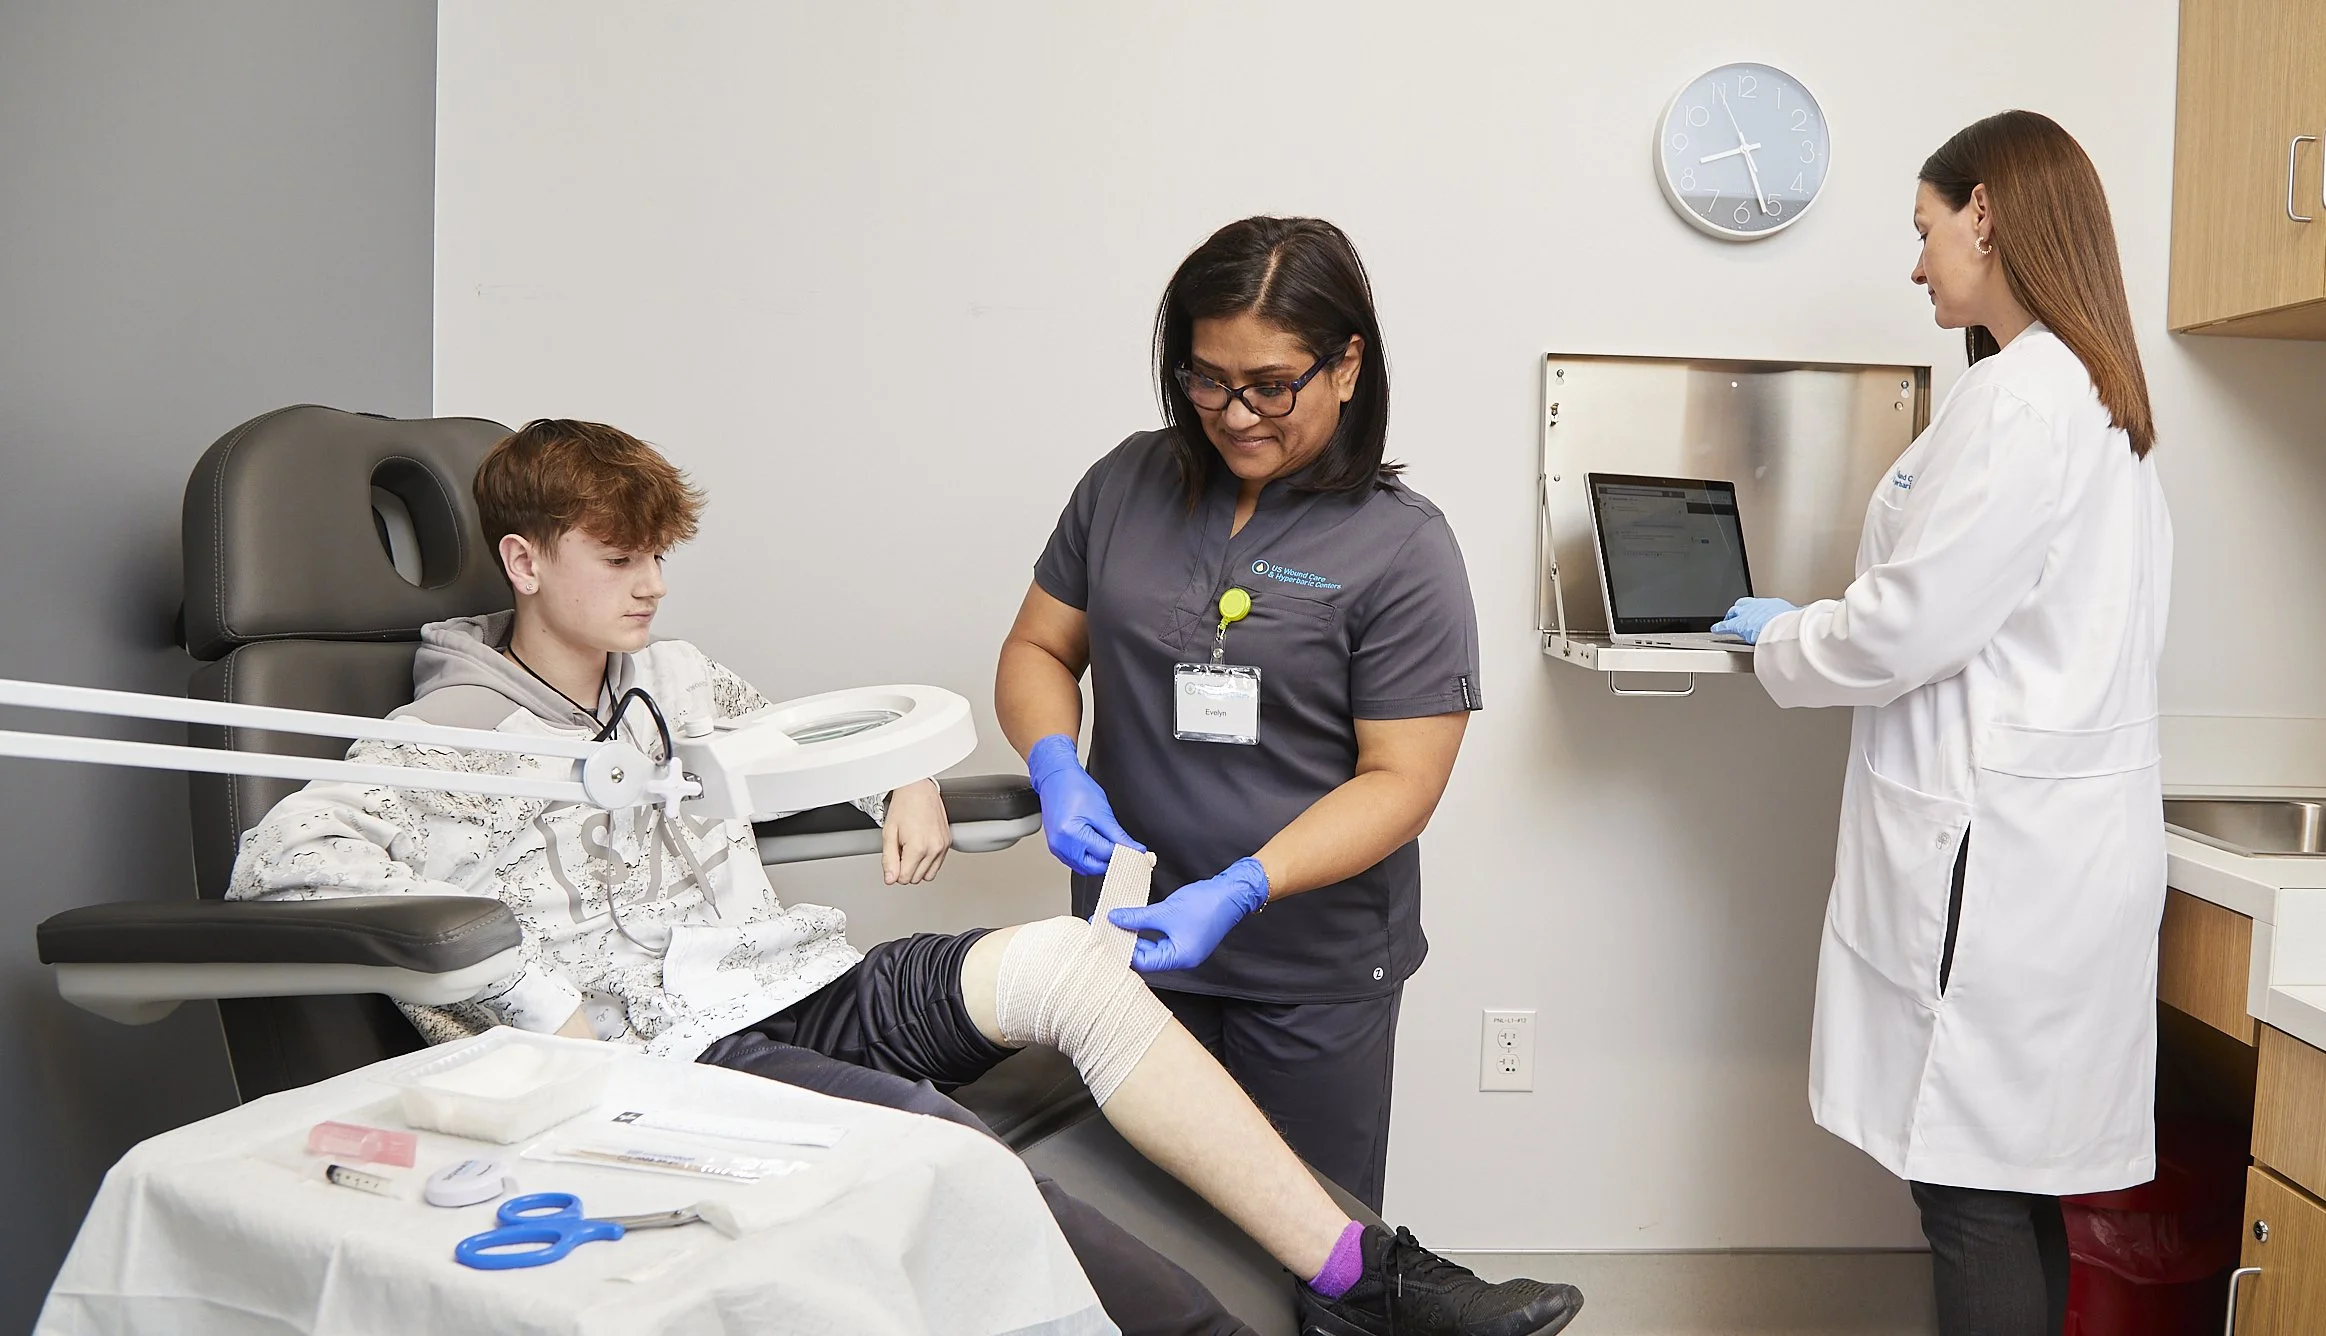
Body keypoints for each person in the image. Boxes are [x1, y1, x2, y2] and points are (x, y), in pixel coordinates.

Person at [227, 419, 1581, 1336]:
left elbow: (794, 737)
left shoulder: (674, 680)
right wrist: (528, 999)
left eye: (658, 556)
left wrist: (900, 776)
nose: (650, 586)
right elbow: (282, 864)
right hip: (661, 1060)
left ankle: (1371, 1279)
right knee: (947, 1150)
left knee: (1072, 964)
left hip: (784, 983)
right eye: (618, 560)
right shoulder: (443, 741)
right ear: (525, 562)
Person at [1712, 112, 2171, 1336]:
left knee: (1968, 1188)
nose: (1916, 266)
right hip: (2037, 842)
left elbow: (1908, 626)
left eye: (1924, 230)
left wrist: (1779, 638)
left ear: (1986, 212)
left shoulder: (2026, 401)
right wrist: (1821, 625)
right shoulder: (2082, 396)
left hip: (1998, 850)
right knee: (2006, 1186)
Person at [995, 218, 1480, 1215]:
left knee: (1303, 1239)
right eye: (1206, 379)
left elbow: (1402, 780)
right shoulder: (1125, 483)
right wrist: (1054, 761)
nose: (1233, 412)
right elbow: (1038, 648)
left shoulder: (1403, 548)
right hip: (1126, 944)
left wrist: (1245, 886)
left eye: (1269, 383)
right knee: (1137, 1244)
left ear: (1346, 364)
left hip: (1308, 970)